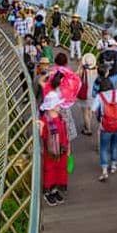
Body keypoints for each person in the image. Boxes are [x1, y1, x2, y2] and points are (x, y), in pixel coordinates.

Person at [91, 77, 117, 181]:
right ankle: (113, 165)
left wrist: (99, 115)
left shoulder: (99, 96)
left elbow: (92, 109)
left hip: (105, 126)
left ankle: (104, 170)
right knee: (115, 145)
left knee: (104, 147)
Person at [38, 76, 69, 207]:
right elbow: (42, 136)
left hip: (61, 149)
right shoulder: (45, 120)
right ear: (51, 107)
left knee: (59, 169)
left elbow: (66, 135)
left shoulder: (61, 117)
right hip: (50, 151)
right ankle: (48, 191)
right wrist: (39, 127)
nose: (59, 106)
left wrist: (69, 149)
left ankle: (55, 189)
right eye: (57, 104)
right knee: (50, 170)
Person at [78, 53, 99, 135]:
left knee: (85, 112)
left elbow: (76, 75)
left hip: (84, 94)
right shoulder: (96, 70)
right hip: (93, 93)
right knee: (89, 110)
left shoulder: (82, 70)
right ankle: (88, 124)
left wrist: (80, 66)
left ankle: (88, 129)